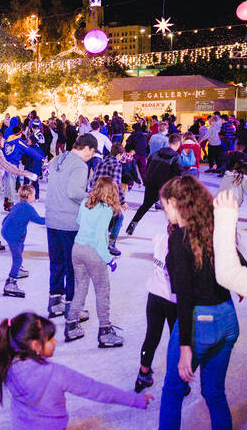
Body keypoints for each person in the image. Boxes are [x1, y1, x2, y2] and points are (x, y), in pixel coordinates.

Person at [0, 312, 150, 428]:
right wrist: (136, 400)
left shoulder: (6, 363)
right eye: (50, 339)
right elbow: (97, 390)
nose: (55, 342)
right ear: (35, 346)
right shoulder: (55, 374)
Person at [158, 176, 237, 430]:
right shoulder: (213, 228)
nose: (163, 212)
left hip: (198, 322)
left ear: (173, 202)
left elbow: (184, 295)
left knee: (172, 390)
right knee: (214, 393)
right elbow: (239, 263)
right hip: (228, 319)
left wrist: (185, 347)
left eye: (163, 206)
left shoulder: (179, 239)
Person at [64, 177, 123, 347]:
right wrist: (109, 259)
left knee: (80, 288)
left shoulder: (85, 203)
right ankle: (105, 332)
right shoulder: (105, 209)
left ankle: (71, 325)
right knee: (102, 291)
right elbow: (99, 238)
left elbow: (79, 222)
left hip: (77, 249)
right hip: (93, 252)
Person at [45, 134, 97, 318]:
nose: (91, 157)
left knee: (57, 262)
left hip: (52, 219)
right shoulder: (79, 165)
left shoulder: (59, 158)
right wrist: (92, 197)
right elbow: (74, 192)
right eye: (92, 153)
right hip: (68, 222)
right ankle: (73, 308)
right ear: (87, 148)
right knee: (74, 266)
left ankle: (55, 303)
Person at [134, 228, 178, 394]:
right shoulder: (182, 246)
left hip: (154, 295)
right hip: (173, 300)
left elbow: (155, 239)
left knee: (151, 335)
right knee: (177, 339)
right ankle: (178, 379)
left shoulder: (159, 237)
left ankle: (143, 374)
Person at [126, 133, 182, 236]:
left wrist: (147, 180)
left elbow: (148, 167)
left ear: (168, 142)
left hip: (151, 184)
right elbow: (178, 173)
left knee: (145, 206)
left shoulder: (156, 153)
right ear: (178, 144)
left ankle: (133, 224)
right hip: (165, 187)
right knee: (171, 209)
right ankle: (173, 232)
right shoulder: (176, 157)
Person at [1, 185, 45, 298]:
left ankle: (18, 268)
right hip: (13, 235)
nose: (35, 197)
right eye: (34, 195)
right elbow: (39, 220)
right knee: (18, 258)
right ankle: (11, 283)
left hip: (7, 231)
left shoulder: (18, 205)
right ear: (29, 195)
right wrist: (53, 219)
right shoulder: (28, 207)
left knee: (21, 248)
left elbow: (6, 218)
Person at [89, 142, 128, 256]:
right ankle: (111, 244)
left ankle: (100, 240)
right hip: (108, 198)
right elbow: (115, 185)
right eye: (121, 156)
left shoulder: (101, 163)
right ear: (118, 155)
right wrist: (122, 201)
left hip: (96, 196)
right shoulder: (116, 165)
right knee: (119, 217)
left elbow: (94, 180)